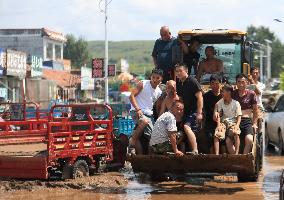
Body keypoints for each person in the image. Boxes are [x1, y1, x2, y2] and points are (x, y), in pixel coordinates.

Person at [128, 69, 163, 155]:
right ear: (150, 77)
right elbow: (131, 96)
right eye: (153, 77)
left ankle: (148, 158)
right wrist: (138, 109)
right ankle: (131, 144)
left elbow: (157, 107)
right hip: (136, 111)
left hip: (148, 115)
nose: (154, 80)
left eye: (157, 78)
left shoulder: (159, 92)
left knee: (153, 138)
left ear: (161, 79)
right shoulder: (143, 83)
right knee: (144, 121)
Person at [175, 63, 203, 154]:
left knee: (187, 127)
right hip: (186, 111)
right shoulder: (179, 83)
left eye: (180, 71)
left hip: (194, 111)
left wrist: (199, 113)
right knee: (179, 131)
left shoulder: (192, 81)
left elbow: (200, 97)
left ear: (186, 71)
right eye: (177, 71)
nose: (178, 73)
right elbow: (181, 99)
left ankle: (195, 150)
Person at [232, 74, 258, 154]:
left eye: (243, 82)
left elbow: (255, 110)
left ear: (247, 83)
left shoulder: (251, 94)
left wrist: (254, 123)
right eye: (239, 82)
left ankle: (244, 158)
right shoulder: (232, 94)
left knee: (249, 139)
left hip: (247, 121)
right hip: (234, 121)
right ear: (236, 83)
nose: (241, 84)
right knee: (228, 140)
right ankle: (235, 158)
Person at [214, 84, 242, 155]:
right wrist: (218, 125)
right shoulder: (220, 102)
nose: (221, 93)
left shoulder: (236, 103)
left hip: (232, 124)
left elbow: (239, 116)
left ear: (229, 92)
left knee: (236, 133)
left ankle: (236, 154)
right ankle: (216, 155)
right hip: (223, 123)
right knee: (217, 134)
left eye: (223, 92)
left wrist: (237, 125)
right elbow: (219, 115)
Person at [203, 74, 222, 153]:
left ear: (221, 84)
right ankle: (212, 155)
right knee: (209, 136)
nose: (215, 86)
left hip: (223, 121)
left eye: (217, 83)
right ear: (210, 84)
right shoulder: (206, 96)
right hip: (209, 121)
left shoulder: (224, 95)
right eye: (213, 83)